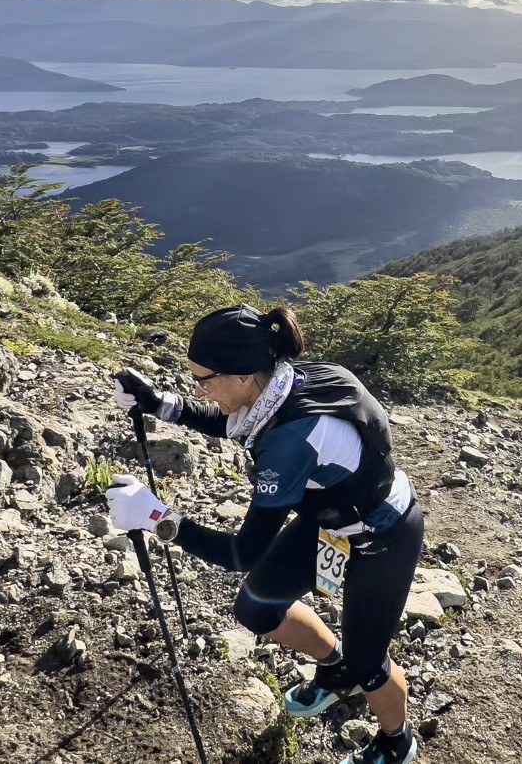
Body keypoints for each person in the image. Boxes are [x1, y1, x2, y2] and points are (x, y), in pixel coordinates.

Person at [106, 304, 423, 764]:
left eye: (203, 380)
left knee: (368, 662)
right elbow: (237, 419)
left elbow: (243, 553)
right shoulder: (290, 380)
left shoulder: (291, 441)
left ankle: (397, 743)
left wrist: (157, 518)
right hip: (335, 517)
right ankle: (335, 669)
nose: (199, 390)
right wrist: (161, 404)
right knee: (256, 607)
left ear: (241, 375)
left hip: (383, 536)